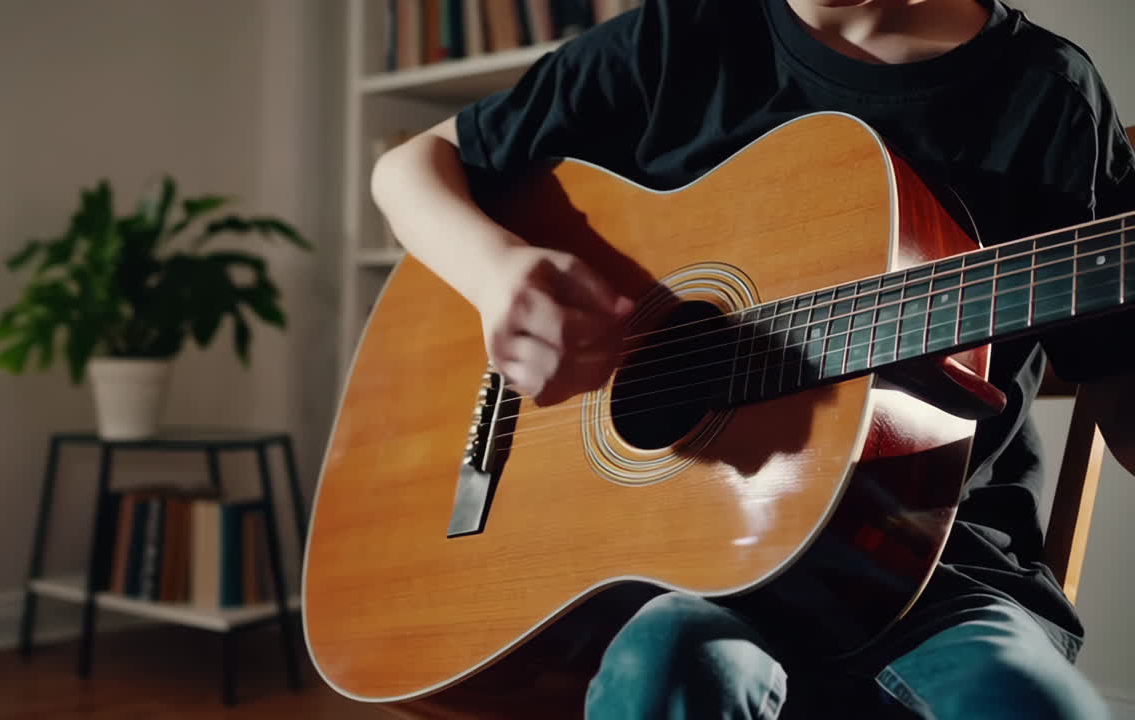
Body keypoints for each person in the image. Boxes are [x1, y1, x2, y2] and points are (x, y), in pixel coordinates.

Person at [370, 0, 1135, 717]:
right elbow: (410, 166)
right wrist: (496, 271)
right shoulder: (685, 36)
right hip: (685, 573)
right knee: (666, 663)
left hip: (937, 573)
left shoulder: (1047, 97)